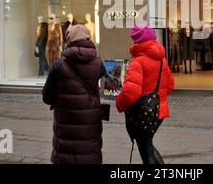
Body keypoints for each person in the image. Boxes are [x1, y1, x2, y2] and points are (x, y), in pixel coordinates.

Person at [43, 24, 104, 164]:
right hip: (91, 122)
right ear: (89, 38)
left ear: (68, 40)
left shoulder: (58, 65)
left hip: (65, 127)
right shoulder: (98, 64)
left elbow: (47, 97)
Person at [116, 25, 174, 164]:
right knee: (148, 144)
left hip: (144, 112)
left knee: (145, 148)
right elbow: (170, 85)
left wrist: (119, 103)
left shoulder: (138, 62)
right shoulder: (161, 59)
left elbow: (131, 93)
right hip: (159, 110)